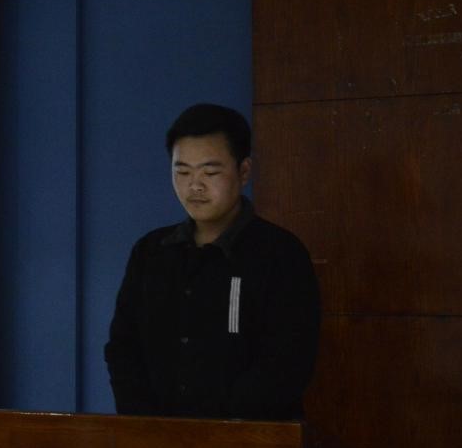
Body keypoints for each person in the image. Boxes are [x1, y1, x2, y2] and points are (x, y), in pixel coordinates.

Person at [104, 103, 320, 420]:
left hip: (250, 438)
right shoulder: (150, 252)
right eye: (182, 172)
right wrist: (145, 422)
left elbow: (288, 362)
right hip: (155, 436)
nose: (195, 186)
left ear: (243, 171)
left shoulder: (280, 254)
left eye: (210, 172)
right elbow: (123, 348)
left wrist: (217, 428)